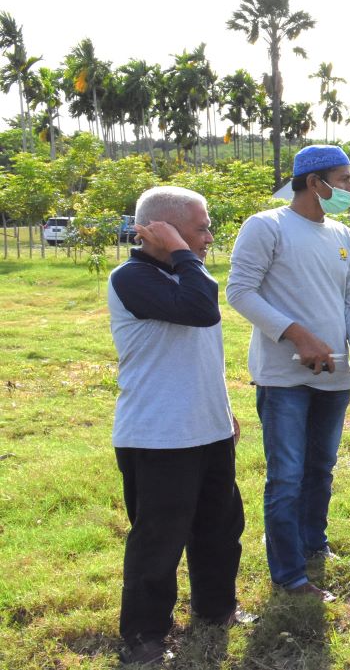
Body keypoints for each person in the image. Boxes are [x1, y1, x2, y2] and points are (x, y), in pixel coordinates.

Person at [227, 145, 350, 602]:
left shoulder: (339, 233)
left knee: (321, 468)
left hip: (333, 378)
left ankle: (314, 544)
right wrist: (297, 335)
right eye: (344, 180)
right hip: (284, 378)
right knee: (287, 475)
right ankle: (290, 575)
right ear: (315, 183)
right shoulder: (267, 226)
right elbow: (240, 292)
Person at [108, 186, 247, 665]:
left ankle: (215, 610)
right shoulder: (130, 277)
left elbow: (198, 348)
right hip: (158, 436)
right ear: (160, 230)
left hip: (206, 428)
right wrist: (183, 251)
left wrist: (221, 407)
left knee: (220, 528)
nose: (208, 237)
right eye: (200, 227)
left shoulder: (190, 272)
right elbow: (201, 311)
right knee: (158, 541)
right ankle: (144, 636)